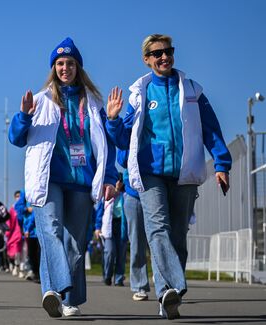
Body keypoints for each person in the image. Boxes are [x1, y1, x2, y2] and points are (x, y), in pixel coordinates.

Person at [105, 34, 232, 319]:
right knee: (158, 229)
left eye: (168, 51)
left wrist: (222, 164)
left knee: (178, 237)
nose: (164, 57)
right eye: (157, 53)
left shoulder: (191, 90)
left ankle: (166, 297)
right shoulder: (141, 91)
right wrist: (113, 121)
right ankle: (171, 288)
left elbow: (211, 130)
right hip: (151, 173)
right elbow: (124, 139)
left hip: (185, 171)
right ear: (147, 59)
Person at [9, 37, 118, 318]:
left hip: (82, 181)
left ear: (78, 67)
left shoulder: (93, 102)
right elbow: (16, 139)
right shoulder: (41, 100)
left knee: (74, 244)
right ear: (53, 68)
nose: (65, 67)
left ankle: (66, 299)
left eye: (69, 63)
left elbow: (106, 145)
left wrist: (108, 177)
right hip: (49, 180)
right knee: (52, 231)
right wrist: (23, 116)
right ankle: (54, 290)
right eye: (59, 63)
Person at [118, 149, 150, 301]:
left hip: (159, 190)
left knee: (161, 239)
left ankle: (167, 285)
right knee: (137, 242)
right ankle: (139, 285)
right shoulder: (129, 127)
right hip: (134, 194)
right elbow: (122, 159)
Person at [94, 175, 128, 287]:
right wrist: (97, 227)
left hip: (121, 226)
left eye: (120, 181)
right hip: (108, 226)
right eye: (117, 180)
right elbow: (99, 212)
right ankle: (107, 275)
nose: (118, 183)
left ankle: (118, 278)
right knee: (109, 251)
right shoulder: (107, 195)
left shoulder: (125, 196)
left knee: (121, 253)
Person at [15, 190, 40, 282]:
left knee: (40, 253)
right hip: (30, 231)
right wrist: (26, 209)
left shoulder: (44, 188)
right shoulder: (25, 192)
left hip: (40, 229)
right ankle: (35, 272)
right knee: (31, 253)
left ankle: (39, 274)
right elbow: (18, 208)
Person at [6, 191, 24, 276]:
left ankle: (22, 269)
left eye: (20, 196)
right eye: (17, 196)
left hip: (25, 232)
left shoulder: (26, 207)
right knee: (17, 252)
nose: (18, 198)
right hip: (16, 234)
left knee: (24, 252)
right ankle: (16, 266)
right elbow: (10, 221)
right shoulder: (13, 208)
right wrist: (8, 232)